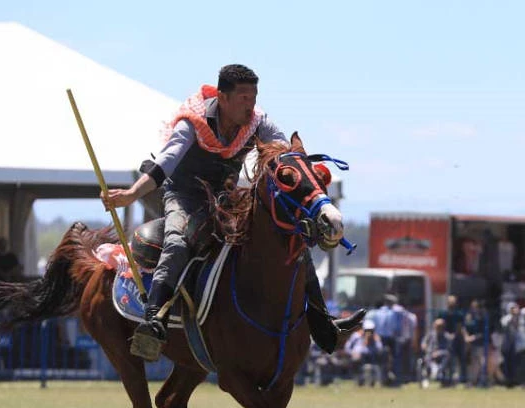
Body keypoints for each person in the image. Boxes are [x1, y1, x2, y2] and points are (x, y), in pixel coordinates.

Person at [101, 64, 364, 360]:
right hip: (184, 198)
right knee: (176, 242)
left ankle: (324, 325)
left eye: (254, 97)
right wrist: (132, 194)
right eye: (243, 98)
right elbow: (167, 162)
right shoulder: (192, 121)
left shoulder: (256, 121)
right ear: (223, 98)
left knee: (292, 241)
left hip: (227, 199)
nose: (250, 105)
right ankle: (154, 322)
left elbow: (283, 151)